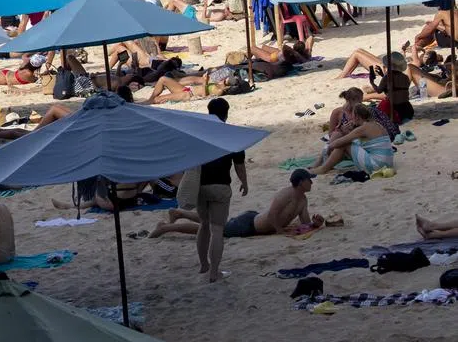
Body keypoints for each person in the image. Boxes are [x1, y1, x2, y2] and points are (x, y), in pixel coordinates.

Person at [150, 170, 322, 239]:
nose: (312, 184)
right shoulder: (286, 194)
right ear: (300, 182)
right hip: (248, 225)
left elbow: (304, 221)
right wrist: (279, 231)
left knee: (216, 224)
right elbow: (272, 214)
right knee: (211, 230)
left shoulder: (302, 200)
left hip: (253, 222)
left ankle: (179, 214)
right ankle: (165, 228)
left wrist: (315, 223)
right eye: (309, 181)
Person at [196, 98, 248, 283]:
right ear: (227, 113)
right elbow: (239, 165)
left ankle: (203, 265)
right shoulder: (231, 134)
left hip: (200, 186)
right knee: (217, 229)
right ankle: (214, 273)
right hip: (220, 186)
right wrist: (244, 182)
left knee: (203, 225)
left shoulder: (198, 133)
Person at [310, 104, 394, 175]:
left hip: (377, 165)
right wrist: (349, 132)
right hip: (388, 163)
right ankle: (327, 165)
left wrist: (340, 133)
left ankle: (323, 168)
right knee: (348, 144)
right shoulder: (377, 125)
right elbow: (366, 143)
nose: (351, 119)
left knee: (343, 145)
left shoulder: (363, 128)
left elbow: (337, 144)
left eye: (352, 116)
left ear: (357, 117)